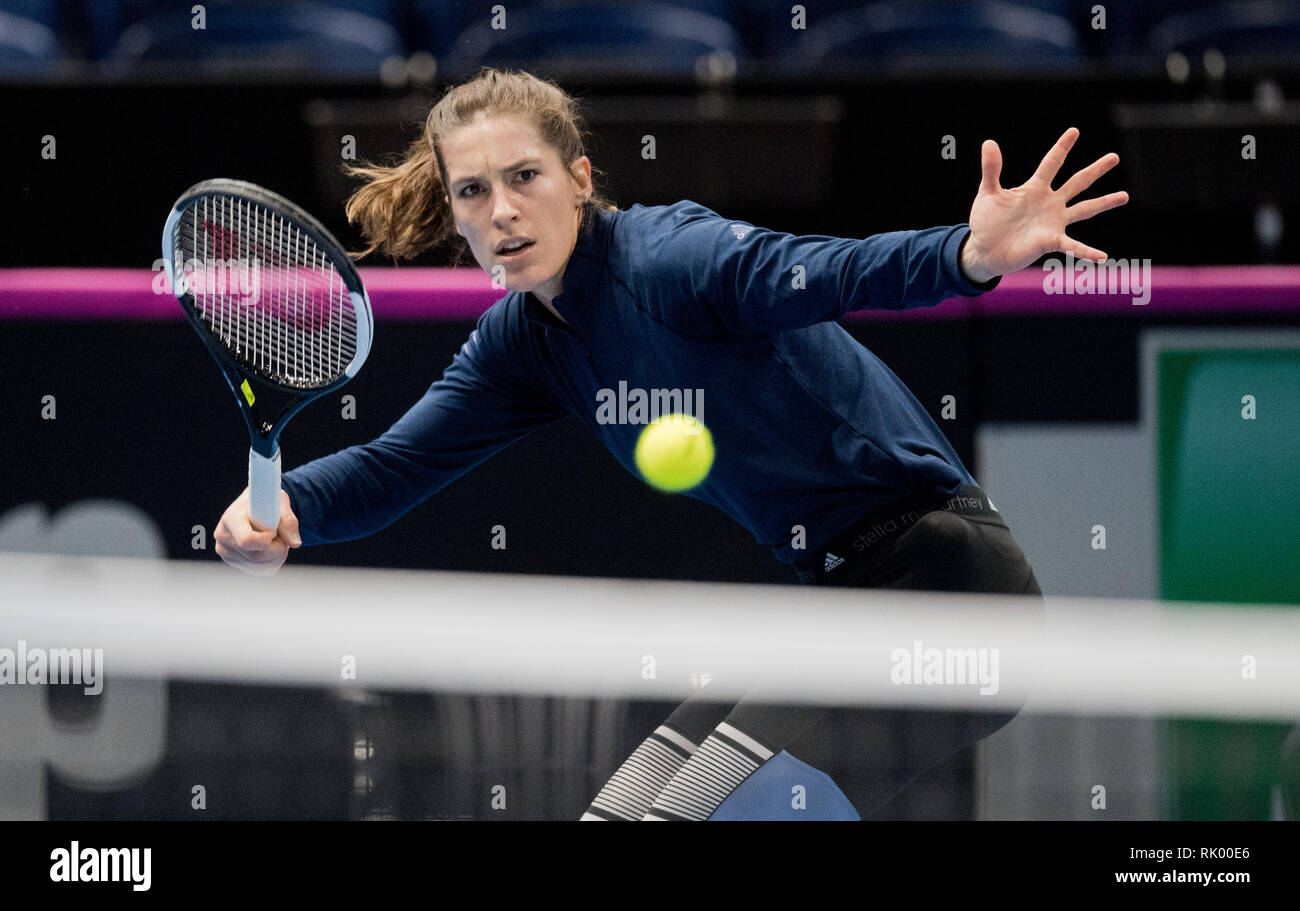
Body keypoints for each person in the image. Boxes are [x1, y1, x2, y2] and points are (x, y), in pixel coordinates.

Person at [214, 67, 1128, 819]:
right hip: (846, 605)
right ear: (453, 212)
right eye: (473, 190)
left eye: (524, 176)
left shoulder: (672, 260)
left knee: (703, 818)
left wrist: (964, 255)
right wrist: (288, 509)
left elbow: (828, 269)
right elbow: (398, 464)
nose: (501, 211)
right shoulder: (523, 342)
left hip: (953, 594)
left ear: (578, 178)